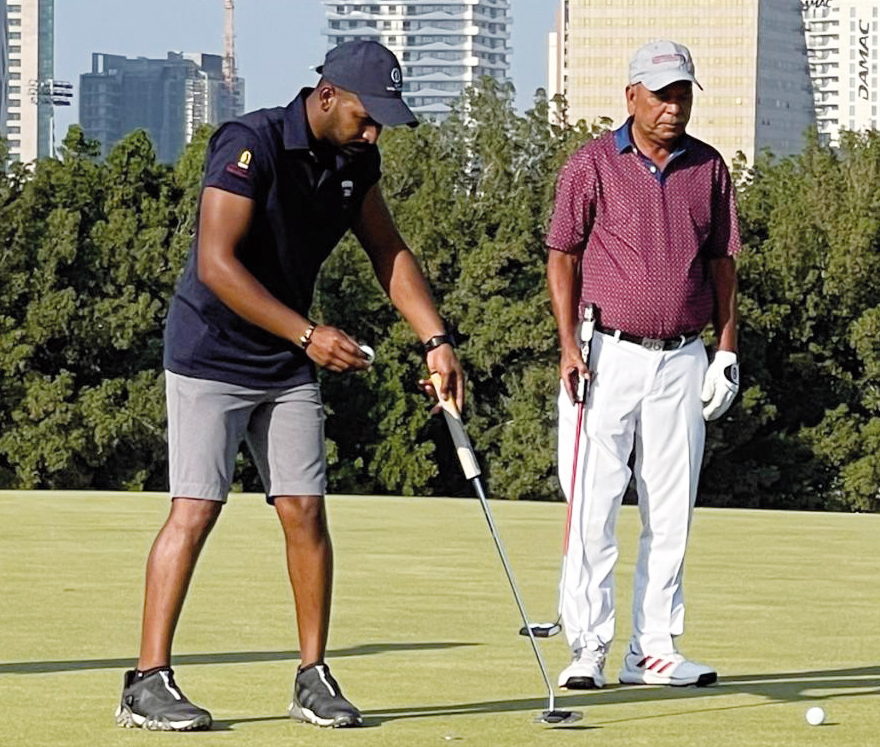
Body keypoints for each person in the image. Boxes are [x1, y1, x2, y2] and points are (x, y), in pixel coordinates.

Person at [115, 40, 464, 731]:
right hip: (210, 352)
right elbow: (215, 263)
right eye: (367, 117)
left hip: (283, 360)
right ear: (327, 95)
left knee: (304, 510)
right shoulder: (250, 143)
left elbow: (387, 250)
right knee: (196, 508)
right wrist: (307, 334)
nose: (373, 133)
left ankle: (313, 676)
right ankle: (147, 681)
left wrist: (436, 338)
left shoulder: (356, 158)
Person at [545, 40, 741, 691]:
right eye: (661, 94)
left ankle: (651, 649)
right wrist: (567, 345)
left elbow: (722, 264)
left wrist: (726, 348)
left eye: (682, 93)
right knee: (593, 505)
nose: (672, 107)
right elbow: (562, 256)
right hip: (605, 354)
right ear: (631, 96)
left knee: (670, 511)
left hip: (683, 357)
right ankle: (588, 646)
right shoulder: (590, 164)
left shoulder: (708, 168)